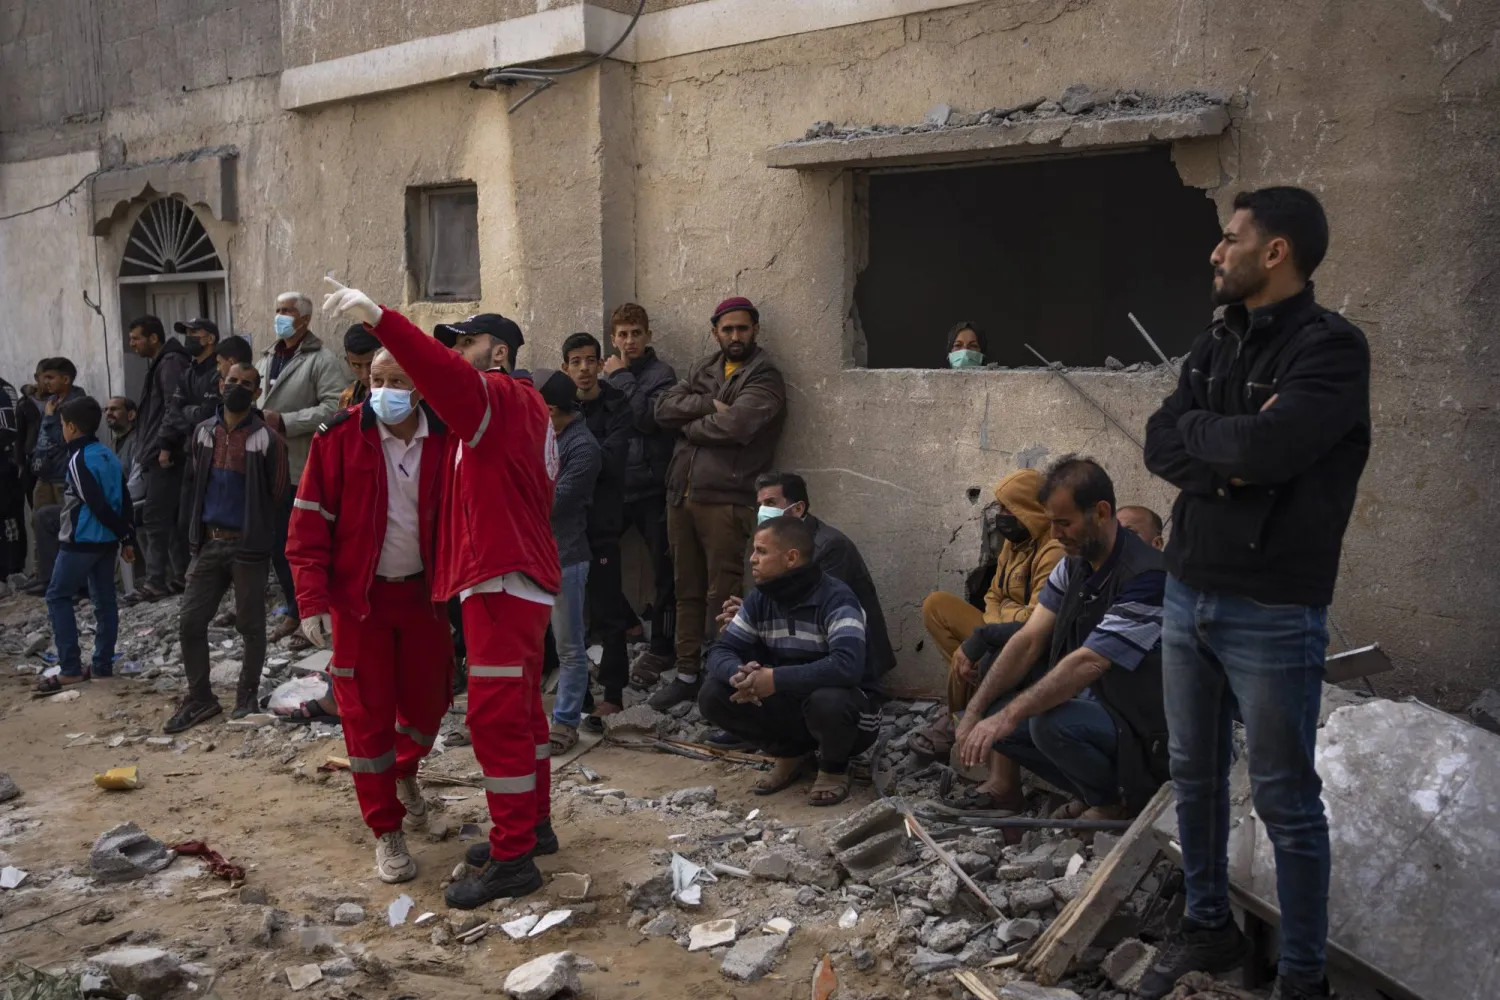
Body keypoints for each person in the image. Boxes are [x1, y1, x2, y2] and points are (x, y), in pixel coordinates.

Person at [1138, 187, 1370, 1000]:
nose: (1215, 251)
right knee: (1193, 773)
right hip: (1188, 590)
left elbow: (1270, 451)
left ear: (1276, 252)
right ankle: (1208, 926)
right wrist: (1227, 451)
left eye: (1229, 238)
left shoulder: (1331, 350)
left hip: (1272, 606)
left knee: (1284, 797)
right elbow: (1158, 440)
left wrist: (1221, 442)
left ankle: (1302, 977)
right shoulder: (1217, 341)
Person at [323, 280, 560, 909]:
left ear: (499, 354)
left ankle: (513, 857)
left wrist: (381, 318)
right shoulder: (510, 412)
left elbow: (437, 373)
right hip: (513, 579)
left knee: (497, 720)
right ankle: (533, 827)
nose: (453, 356)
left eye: (465, 344)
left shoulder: (497, 399)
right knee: (523, 715)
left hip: (501, 581)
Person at [287, 348, 454, 883]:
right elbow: (308, 525)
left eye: (397, 380)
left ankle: (404, 771)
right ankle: (386, 829)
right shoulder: (338, 438)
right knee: (366, 719)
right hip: (359, 604)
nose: (382, 390)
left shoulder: (447, 438)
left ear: (420, 386)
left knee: (430, 704)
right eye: (376, 378)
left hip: (425, 599)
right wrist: (312, 601)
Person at [955, 456, 1168, 823]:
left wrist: (1008, 715)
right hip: (1100, 708)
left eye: (1064, 523)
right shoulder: (1074, 565)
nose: (1054, 535)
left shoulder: (1147, 576)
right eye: (1051, 522)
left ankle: (1117, 802)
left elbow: (1089, 662)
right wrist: (976, 712)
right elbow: (1029, 638)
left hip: (1146, 728)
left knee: (1045, 723)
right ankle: (1092, 793)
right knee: (995, 720)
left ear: (1101, 513)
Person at [651, 297, 787, 710]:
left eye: (742, 328)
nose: (735, 335)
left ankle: (725, 680)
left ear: (755, 330)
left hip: (727, 499)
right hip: (682, 495)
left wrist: (686, 428)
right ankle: (687, 674)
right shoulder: (704, 368)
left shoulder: (764, 375)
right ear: (715, 333)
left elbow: (738, 425)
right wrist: (708, 404)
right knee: (686, 589)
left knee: (723, 594)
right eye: (727, 329)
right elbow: (662, 408)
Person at [700, 516, 880, 806]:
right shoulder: (760, 599)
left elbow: (847, 666)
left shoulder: (836, 599)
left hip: (854, 716)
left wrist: (774, 679)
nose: (752, 559)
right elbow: (721, 651)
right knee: (713, 693)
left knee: (829, 700)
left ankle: (834, 767)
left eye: (761, 551)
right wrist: (739, 674)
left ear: (791, 558)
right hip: (794, 704)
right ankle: (791, 754)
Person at [164, 363, 289, 731]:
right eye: (232, 381)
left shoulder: (268, 440)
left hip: (248, 547)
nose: (237, 387)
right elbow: (194, 483)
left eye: (246, 384)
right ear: (221, 385)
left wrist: (259, 534)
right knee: (190, 621)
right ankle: (200, 698)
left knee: (251, 626)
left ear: (257, 393)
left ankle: (246, 696)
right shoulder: (203, 433)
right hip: (209, 543)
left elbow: (278, 493)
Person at [915, 468, 1065, 763]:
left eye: (1009, 508)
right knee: (936, 605)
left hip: (1026, 639)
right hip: (996, 628)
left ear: (1029, 508)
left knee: (964, 655)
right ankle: (969, 697)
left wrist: (995, 625)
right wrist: (993, 626)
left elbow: (1034, 619)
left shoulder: (1053, 551)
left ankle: (957, 719)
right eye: (1001, 507)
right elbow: (993, 595)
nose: (1001, 515)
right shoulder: (1014, 543)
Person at [255, 291, 351, 645]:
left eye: (287, 311)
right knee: (277, 544)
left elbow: (334, 406)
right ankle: (294, 608)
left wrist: (285, 421)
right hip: (268, 466)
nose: (280, 316)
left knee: (302, 545)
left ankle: (310, 612)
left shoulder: (321, 360)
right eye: (277, 309)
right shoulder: (267, 357)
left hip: (300, 466)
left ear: (305, 319)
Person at [32, 396, 136, 695]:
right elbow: (125, 498)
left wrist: (122, 534)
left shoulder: (78, 459)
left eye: (63, 425)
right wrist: (126, 537)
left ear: (71, 428)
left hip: (81, 541)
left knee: (57, 596)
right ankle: (102, 665)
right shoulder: (107, 454)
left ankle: (70, 669)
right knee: (104, 601)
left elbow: (96, 503)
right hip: (106, 542)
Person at [603, 304, 679, 688]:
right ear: (613, 338)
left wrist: (620, 378)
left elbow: (649, 419)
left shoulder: (662, 375)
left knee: (665, 572)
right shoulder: (606, 375)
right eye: (623, 334)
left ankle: (662, 647)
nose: (629, 341)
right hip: (617, 488)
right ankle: (628, 623)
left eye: (636, 333)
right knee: (591, 559)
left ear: (648, 335)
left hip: (652, 489)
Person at [562, 332, 633, 725]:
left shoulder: (617, 404)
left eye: (590, 360)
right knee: (571, 616)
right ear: (565, 367)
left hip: (603, 522)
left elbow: (612, 461)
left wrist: (578, 456)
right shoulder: (560, 406)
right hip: (567, 526)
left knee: (608, 610)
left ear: (601, 363)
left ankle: (614, 691)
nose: (584, 369)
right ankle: (579, 694)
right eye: (576, 362)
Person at [536, 367, 602, 752]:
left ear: (553, 410)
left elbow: (554, 503)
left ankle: (564, 722)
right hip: (532, 554)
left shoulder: (583, 447)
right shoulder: (542, 435)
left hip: (565, 557)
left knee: (570, 648)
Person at [128, 316, 193, 599]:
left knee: (155, 516)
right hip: (158, 452)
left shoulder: (170, 363)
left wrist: (165, 444)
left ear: (153, 338)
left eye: (136, 338)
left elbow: (173, 407)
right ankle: (179, 576)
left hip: (166, 454)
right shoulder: (162, 363)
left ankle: (157, 580)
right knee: (169, 517)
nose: (132, 345)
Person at [23, 358, 87, 596]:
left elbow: (65, 439)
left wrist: (50, 418)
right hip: (45, 475)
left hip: (63, 475)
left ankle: (71, 581)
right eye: (44, 377)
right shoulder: (52, 401)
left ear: (66, 379)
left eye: (51, 377)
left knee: (66, 528)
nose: (45, 382)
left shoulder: (76, 403)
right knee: (40, 524)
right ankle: (46, 576)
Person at [158, 319, 224, 464]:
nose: (188, 337)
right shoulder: (188, 373)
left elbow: (207, 415)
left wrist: (185, 410)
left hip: (215, 451)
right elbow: (173, 409)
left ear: (210, 339)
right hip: (189, 451)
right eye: (187, 333)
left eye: (193, 332)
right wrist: (166, 443)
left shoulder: (220, 372)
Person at [105, 396, 144, 598]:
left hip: (133, 503)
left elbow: (137, 483)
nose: (108, 413)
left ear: (131, 415)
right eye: (106, 409)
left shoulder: (138, 441)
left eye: (114, 409)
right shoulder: (112, 445)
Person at [0, 374, 25, 583]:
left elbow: (9, 431)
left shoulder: (3, 392)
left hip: (5, 468)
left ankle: (13, 570)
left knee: (9, 519)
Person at [338, 324, 382, 409]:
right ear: (348, 363)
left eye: (371, 364)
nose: (365, 375)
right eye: (357, 365)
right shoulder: (347, 399)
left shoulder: (400, 395)